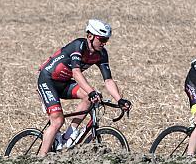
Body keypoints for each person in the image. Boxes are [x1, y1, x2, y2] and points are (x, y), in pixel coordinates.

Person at [36, 19, 132, 156]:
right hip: (48, 80)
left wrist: (119, 99)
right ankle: (40, 160)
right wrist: (91, 91)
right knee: (57, 120)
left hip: (64, 83)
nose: (104, 43)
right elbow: (76, 72)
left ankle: (67, 137)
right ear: (90, 36)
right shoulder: (79, 45)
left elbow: (108, 80)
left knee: (89, 98)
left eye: (107, 40)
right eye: (102, 39)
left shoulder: (101, 54)